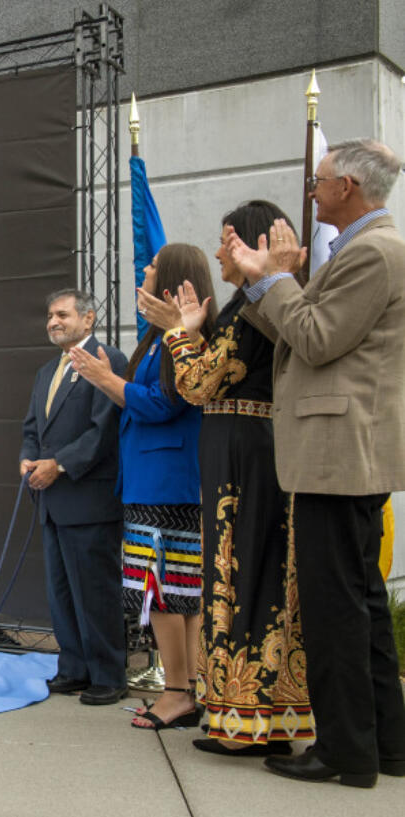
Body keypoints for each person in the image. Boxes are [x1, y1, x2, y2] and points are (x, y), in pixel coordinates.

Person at [224, 139, 405, 788]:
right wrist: (265, 283)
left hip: (339, 454)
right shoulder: (365, 248)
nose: (311, 188)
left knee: (335, 608)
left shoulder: (374, 253)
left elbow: (317, 337)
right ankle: (384, 743)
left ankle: (345, 751)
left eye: (320, 179)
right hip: (343, 452)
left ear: (349, 186)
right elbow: (306, 334)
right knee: (360, 602)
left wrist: (272, 278)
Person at [138, 201, 312, 757]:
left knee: (238, 581)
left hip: (242, 456)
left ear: (250, 244)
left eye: (226, 241)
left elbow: (197, 384)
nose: (217, 252)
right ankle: (259, 718)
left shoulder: (252, 309)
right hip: (245, 449)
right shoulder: (253, 305)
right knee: (252, 582)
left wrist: (178, 333)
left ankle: (244, 722)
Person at [68, 245, 212, 728]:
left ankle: (175, 692)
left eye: (151, 269)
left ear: (169, 281)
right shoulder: (157, 338)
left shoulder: (183, 338)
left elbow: (163, 403)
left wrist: (105, 379)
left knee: (166, 592)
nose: (143, 273)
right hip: (155, 480)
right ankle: (187, 689)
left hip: (166, 483)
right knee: (178, 592)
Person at [20, 289, 128, 705]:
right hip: (52, 502)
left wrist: (59, 464)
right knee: (62, 591)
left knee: (94, 591)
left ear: (89, 319)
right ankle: (74, 668)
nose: (53, 321)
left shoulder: (107, 360)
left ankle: (107, 675)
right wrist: (28, 458)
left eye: (62, 314)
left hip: (88, 499)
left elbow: (104, 431)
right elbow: (33, 427)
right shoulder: (48, 370)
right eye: (49, 315)